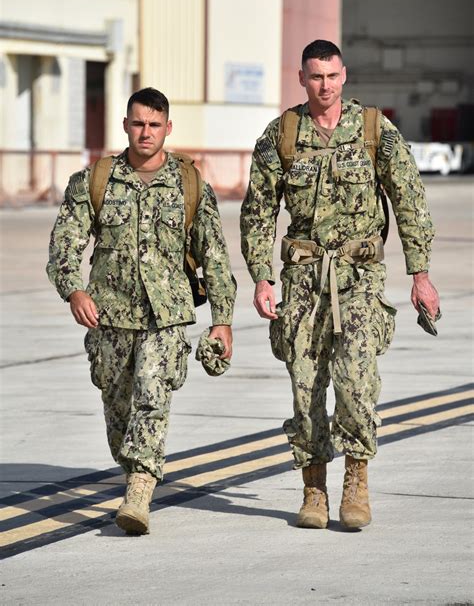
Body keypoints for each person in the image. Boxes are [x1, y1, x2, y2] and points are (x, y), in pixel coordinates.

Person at [240, 40, 439, 530]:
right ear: (302, 78)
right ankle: (313, 489)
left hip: (359, 276)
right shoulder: (282, 135)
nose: (324, 86)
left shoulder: (373, 129)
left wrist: (421, 273)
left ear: (343, 75)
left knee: (356, 383)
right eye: (315, 77)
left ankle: (356, 482)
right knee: (305, 386)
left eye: (331, 76)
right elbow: (258, 212)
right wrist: (262, 277)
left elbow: (409, 198)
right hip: (303, 279)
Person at [47, 87, 236, 535]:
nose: (145, 132)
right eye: (138, 123)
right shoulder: (94, 180)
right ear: (125, 125)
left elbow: (215, 254)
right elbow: (64, 245)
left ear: (168, 128)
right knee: (117, 407)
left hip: (167, 316)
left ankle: (139, 490)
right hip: (108, 316)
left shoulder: (189, 184)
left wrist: (222, 321)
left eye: (154, 124)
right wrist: (74, 291)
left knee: (152, 398)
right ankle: (131, 465)